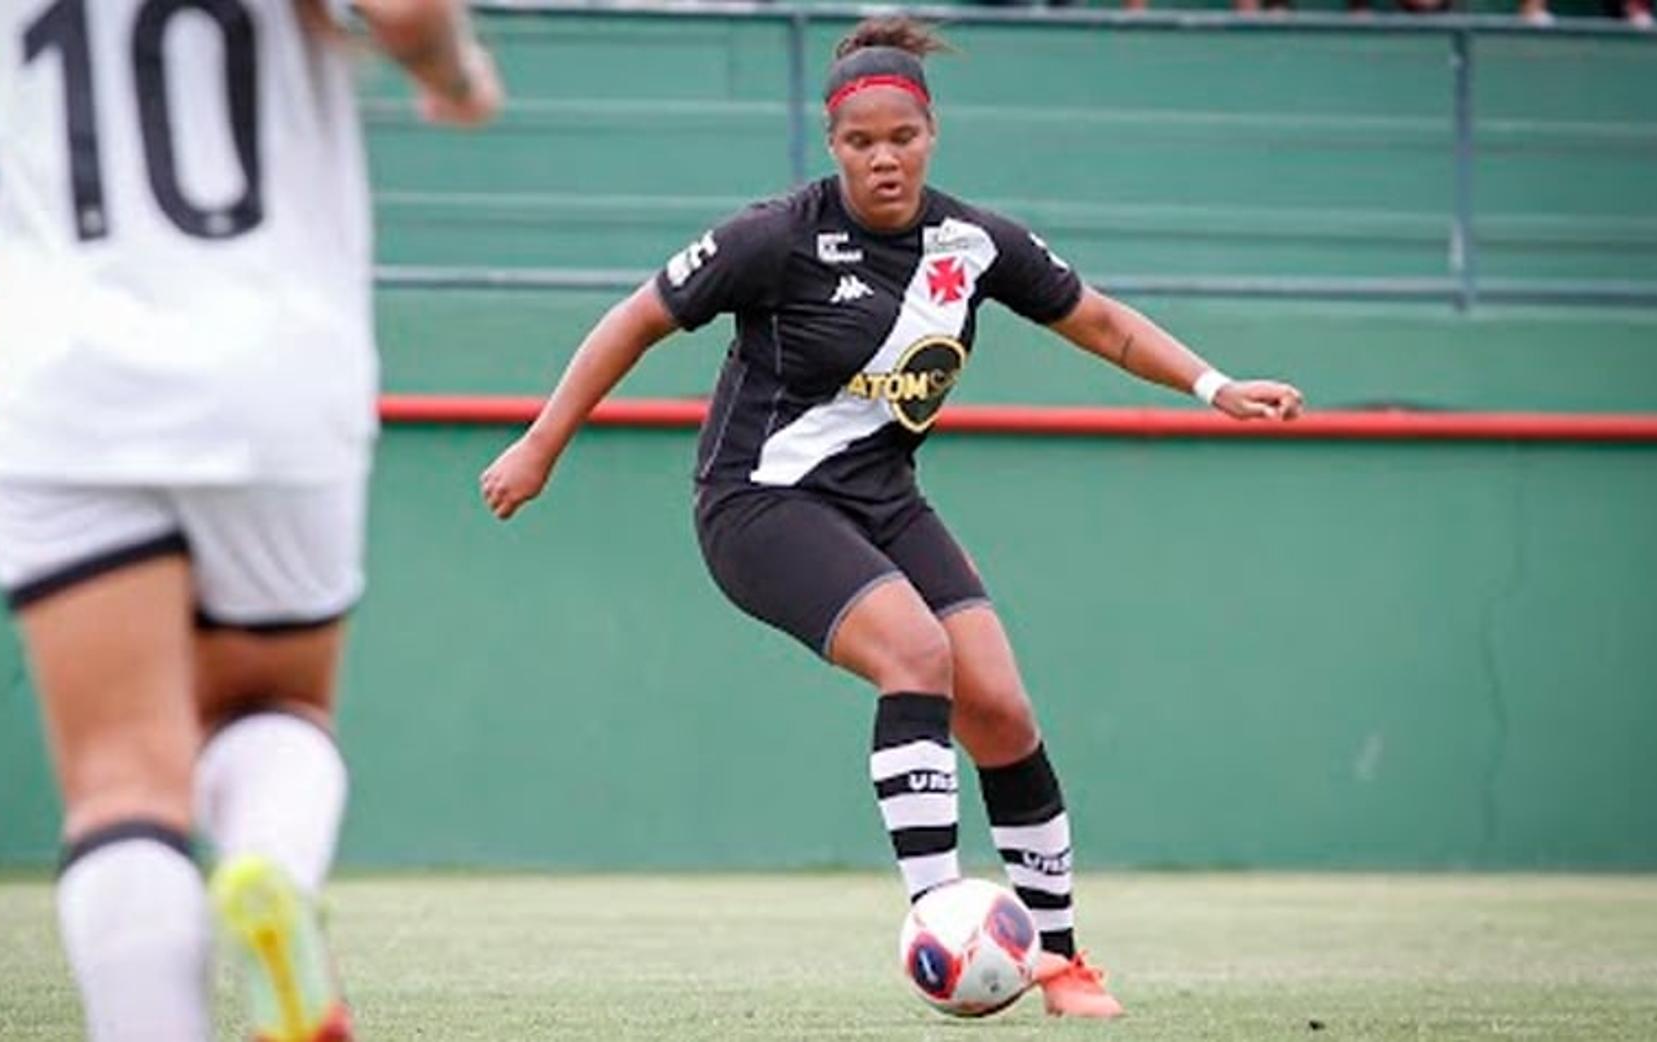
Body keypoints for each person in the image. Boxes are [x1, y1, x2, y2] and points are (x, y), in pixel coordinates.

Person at [480, 15, 1303, 1021]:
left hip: (882, 497)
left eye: (900, 138)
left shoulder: (975, 243)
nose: (882, 157)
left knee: (999, 705)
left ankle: (1062, 962)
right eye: (860, 141)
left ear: (931, 135)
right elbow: (636, 318)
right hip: (758, 502)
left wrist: (1212, 384)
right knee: (916, 654)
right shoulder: (773, 236)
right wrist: (540, 442)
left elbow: (1100, 321)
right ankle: (941, 922)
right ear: (832, 144)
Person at [0, 2, 501, 1039]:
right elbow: (409, 15)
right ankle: (268, 870)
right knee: (273, 705)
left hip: (56, 373)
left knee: (118, 779)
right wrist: (456, 79)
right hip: (275, 365)